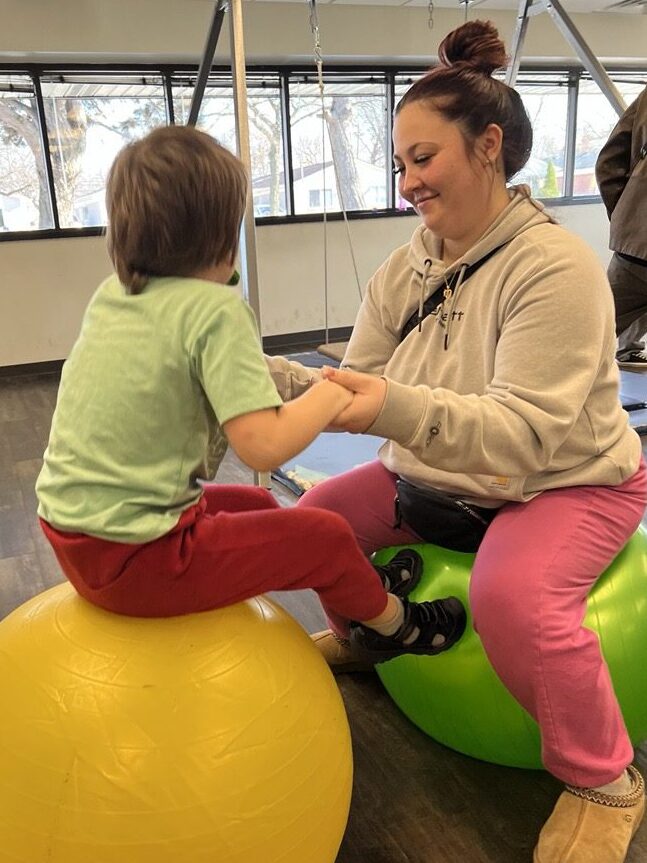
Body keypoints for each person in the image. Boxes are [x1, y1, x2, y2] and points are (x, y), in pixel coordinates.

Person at [268, 20, 646, 863]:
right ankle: (371, 638)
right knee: (315, 526)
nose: (407, 181)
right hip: (442, 475)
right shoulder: (405, 268)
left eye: (422, 158)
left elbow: (520, 435)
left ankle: (606, 778)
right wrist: (254, 374)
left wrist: (389, 407)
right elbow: (350, 383)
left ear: (487, 147)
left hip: (567, 477)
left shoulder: (555, 267)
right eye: (399, 162)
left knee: (516, 599)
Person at [34, 125, 468, 667]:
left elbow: (231, 376)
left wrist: (307, 385)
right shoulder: (216, 312)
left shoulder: (120, 296)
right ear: (221, 233)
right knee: (326, 535)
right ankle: (393, 625)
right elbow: (263, 447)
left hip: (77, 538)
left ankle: (363, 582)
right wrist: (332, 394)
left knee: (257, 504)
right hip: (138, 563)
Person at [595, 85, 647, 369]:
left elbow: (609, 162)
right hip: (635, 244)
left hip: (636, 246)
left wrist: (627, 215)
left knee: (587, 331)